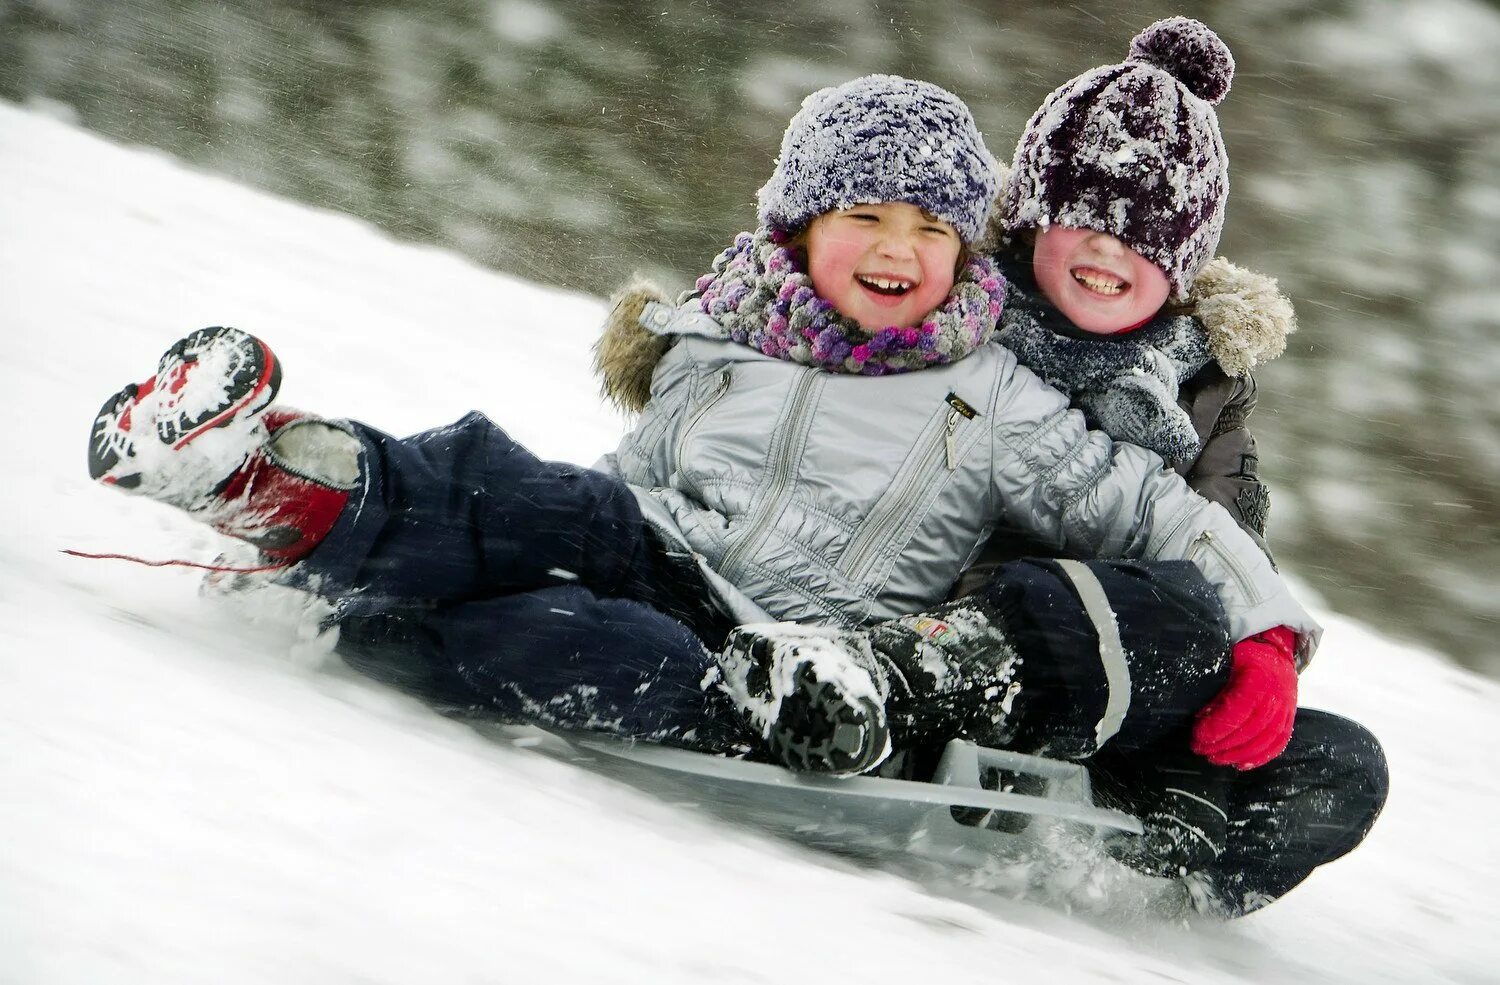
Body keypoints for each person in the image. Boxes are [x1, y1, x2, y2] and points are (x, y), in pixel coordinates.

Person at [88, 72, 1322, 906]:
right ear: (794, 229)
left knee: (607, 648)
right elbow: (630, 480)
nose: (898, 249)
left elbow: (1167, 518)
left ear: (968, 250)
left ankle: (400, 624)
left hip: (782, 641)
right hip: (653, 538)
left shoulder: (995, 391)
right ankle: (269, 474)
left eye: (931, 229)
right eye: (864, 215)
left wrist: (1267, 631)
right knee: (514, 487)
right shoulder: (724, 330)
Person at [711, 20, 1386, 917]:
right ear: (1032, 216)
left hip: (1123, 665)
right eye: (1083, 220)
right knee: (1118, 603)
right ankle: (878, 697)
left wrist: (1260, 655)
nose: (1109, 252)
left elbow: (1223, 537)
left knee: (1339, 764)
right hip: (936, 616)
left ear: (1182, 267)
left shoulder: (1204, 389)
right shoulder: (958, 308)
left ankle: (1134, 861)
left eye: (1144, 236)